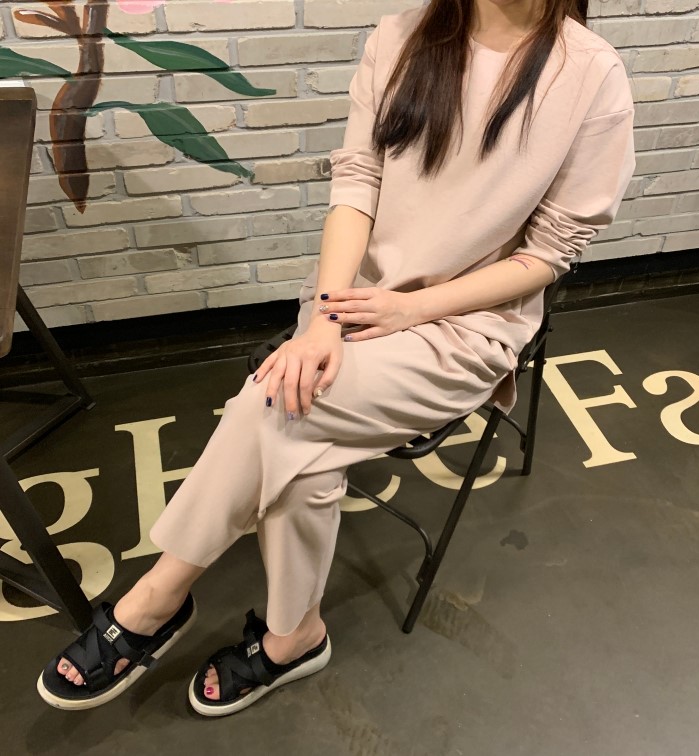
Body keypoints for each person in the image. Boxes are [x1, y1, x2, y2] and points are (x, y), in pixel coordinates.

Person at [37, 0, 635, 716]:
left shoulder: (591, 74)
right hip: (350, 299)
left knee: (275, 402)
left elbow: (550, 253)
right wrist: (324, 318)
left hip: (464, 327)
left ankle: (156, 599)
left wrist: (413, 308)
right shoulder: (402, 36)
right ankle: (294, 636)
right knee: (301, 441)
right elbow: (357, 183)